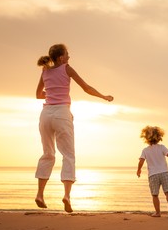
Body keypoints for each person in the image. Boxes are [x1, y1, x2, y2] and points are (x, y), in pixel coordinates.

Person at [35, 43, 114, 213]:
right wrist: (103, 96)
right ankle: (66, 196)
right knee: (68, 155)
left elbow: (37, 95)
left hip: (45, 114)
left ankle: (40, 194)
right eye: (67, 54)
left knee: (48, 154)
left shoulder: (45, 71)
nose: (69, 57)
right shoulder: (67, 68)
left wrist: (52, 93)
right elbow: (86, 88)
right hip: (62, 113)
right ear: (61, 58)